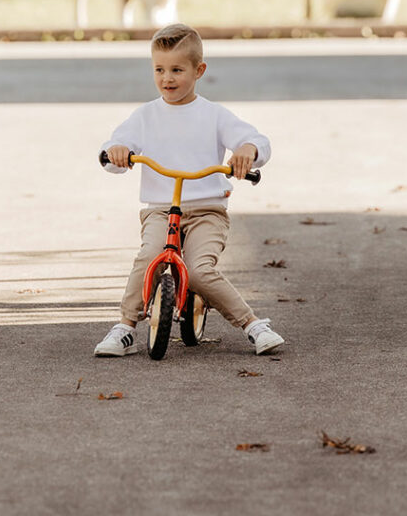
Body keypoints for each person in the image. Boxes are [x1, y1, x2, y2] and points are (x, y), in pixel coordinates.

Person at [94, 23, 285, 357]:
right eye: (159, 69)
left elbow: (257, 140)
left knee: (199, 272)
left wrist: (247, 151)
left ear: (199, 71)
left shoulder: (213, 115)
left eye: (177, 70)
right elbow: (114, 149)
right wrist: (118, 152)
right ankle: (125, 327)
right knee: (150, 258)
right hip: (160, 209)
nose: (167, 78)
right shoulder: (146, 115)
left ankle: (253, 325)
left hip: (206, 211)